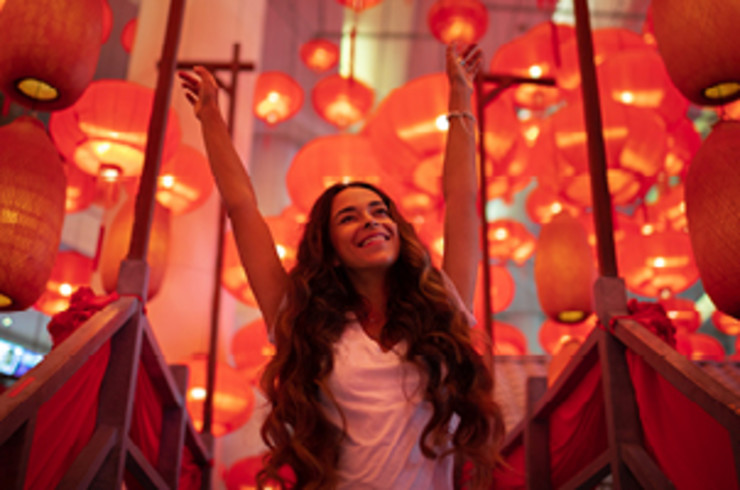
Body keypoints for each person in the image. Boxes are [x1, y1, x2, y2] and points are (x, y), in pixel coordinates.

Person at [179, 42, 504, 490]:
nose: (371, 220)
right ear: (330, 249)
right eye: (349, 217)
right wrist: (211, 116)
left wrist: (459, 99)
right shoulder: (304, 320)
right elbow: (242, 208)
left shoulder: (441, 304)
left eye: (379, 211)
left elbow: (462, 201)